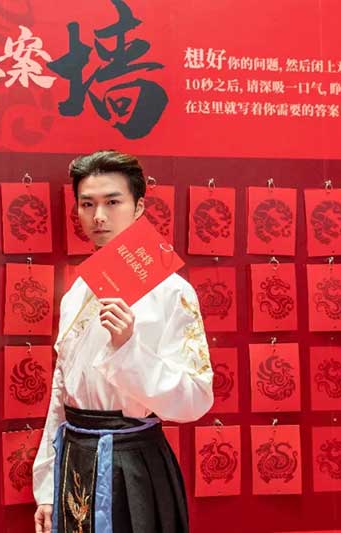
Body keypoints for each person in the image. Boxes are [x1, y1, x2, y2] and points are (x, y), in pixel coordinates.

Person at [32, 150, 214, 533]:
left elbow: (196, 399)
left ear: (138, 207)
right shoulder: (76, 292)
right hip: (75, 458)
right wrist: (46, 487)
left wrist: (129, 348)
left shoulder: (172, 291)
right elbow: (61, 391)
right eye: (87, 204)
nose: (99, 216)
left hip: (132, 465)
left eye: (113, 202)